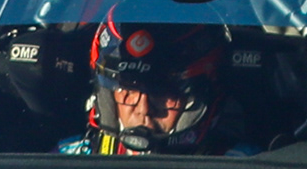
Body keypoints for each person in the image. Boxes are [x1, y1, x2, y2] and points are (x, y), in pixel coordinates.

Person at [65, 15, 248, 156]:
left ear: (200, 97)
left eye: (163, 94)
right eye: (128, 91)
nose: (143, 110)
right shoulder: (69, 161)